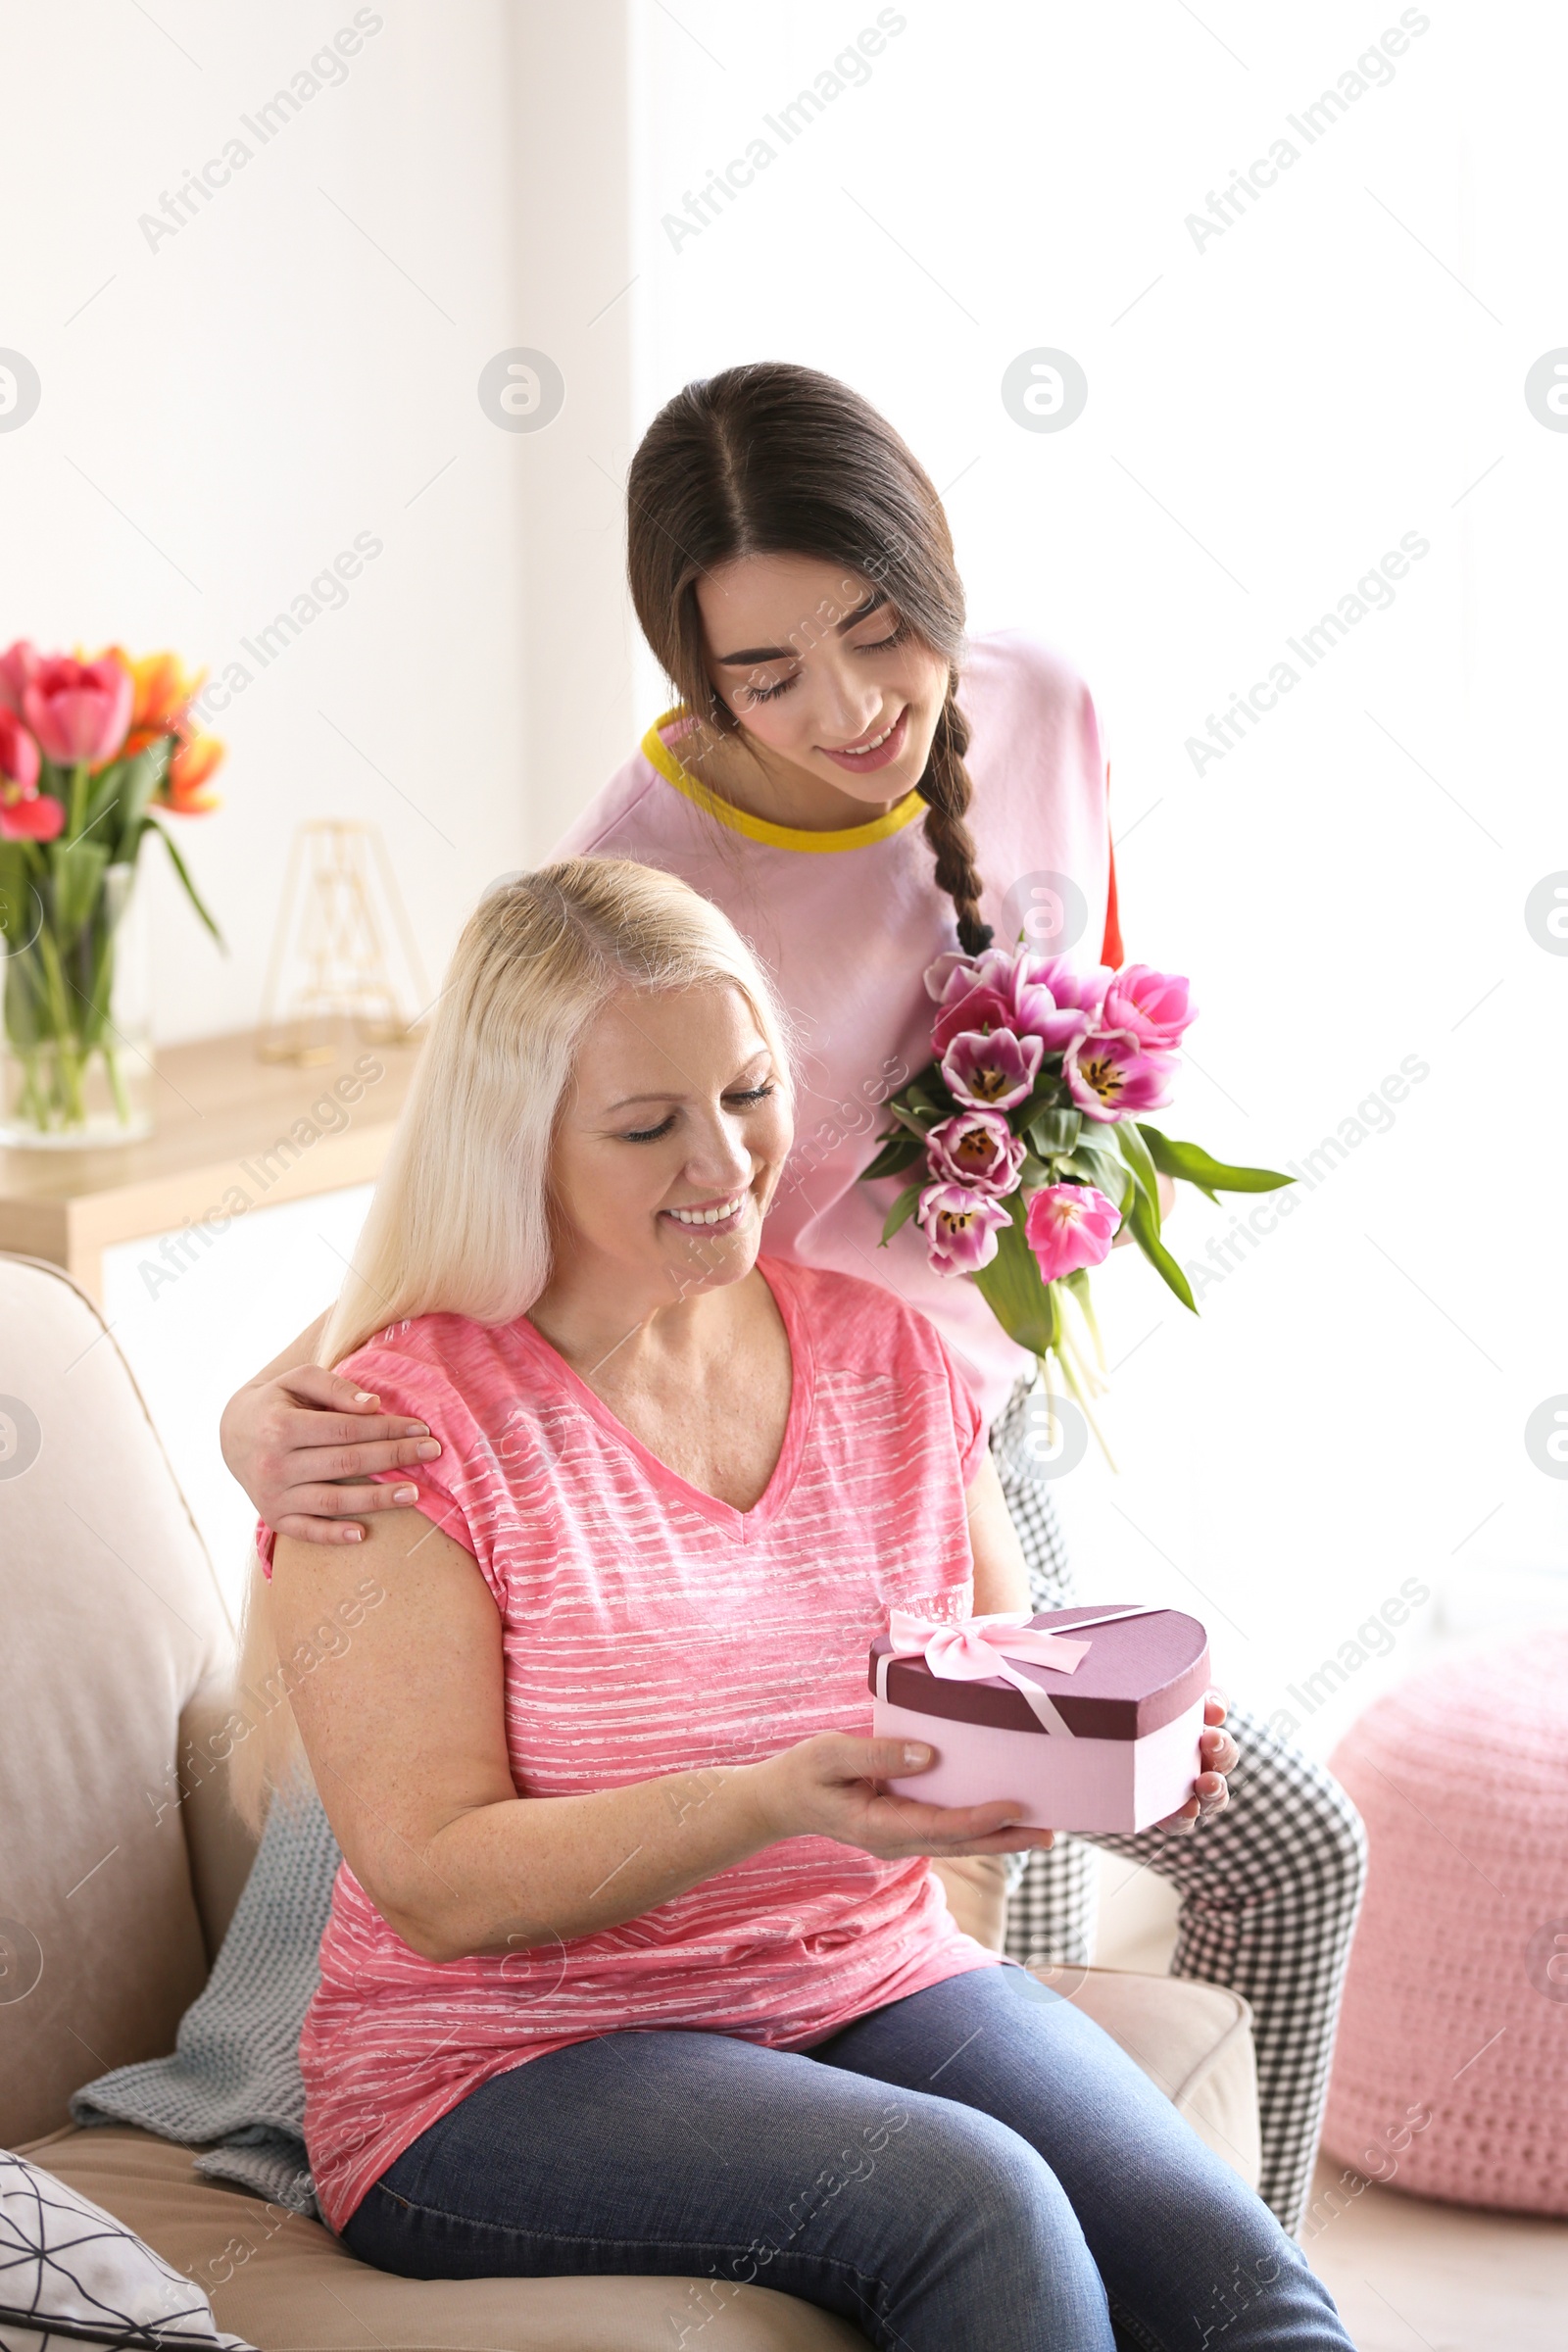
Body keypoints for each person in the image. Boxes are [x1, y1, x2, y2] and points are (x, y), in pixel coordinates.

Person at [220, 363, 1365, 2234]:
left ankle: (1218, 2266)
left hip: (946, 1430)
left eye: (879, 630)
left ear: (936, 577)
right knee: (1002, 1986)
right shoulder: (641, 877)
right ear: (694, 678)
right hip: (756, 1491)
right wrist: (264, 1401)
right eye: (766, 675)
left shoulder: (1046, 708)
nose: (846, 710)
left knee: (1287, 1851)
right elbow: (497, 1166)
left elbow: (1094, 1045)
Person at [244, 858, 1353, 2351]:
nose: (724, 1162)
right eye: (646, 1124)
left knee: (1244, 2286)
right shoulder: (396, 1436)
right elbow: (434, 1881)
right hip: (499, 2071)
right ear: (520, 1142)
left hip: (868, 1974)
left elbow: (977, 1688)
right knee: (981, 2206)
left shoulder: (890, 1359)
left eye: (748, 1094)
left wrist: (1098, 1760)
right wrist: (771, 1800)